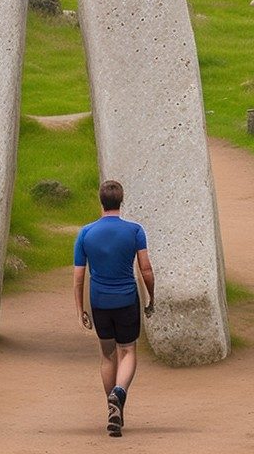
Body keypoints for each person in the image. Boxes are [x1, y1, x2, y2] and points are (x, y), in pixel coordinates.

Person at [73, 180, 155, 437]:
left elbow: (78, 277)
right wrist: (151, 296)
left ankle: (111, 408)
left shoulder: (86, 233)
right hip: (127, 299)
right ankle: (119, 394)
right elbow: (145, 269)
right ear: (121, 201)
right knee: (128, 350)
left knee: (107, 355)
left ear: (101, 202)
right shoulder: (135, 231)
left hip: (99, 301)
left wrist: (80, 309)